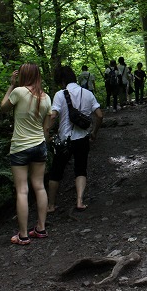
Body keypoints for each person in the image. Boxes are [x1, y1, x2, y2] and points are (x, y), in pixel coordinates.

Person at [0, 63, 52, 246]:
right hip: (39, 146)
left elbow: (3, 107)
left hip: (20, 147)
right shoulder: (46, 97)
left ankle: (23, 235)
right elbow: (46, 127)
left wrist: (11, 85)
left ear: (23, 75)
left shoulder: (19, 92)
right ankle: (41, 228)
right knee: (39, 187)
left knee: (22, 190)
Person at [48, 65, 103, 212]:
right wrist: (94, 132)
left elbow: (53, 116)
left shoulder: (60, 94)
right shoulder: (87, 93)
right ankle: (79, 201)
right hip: (83, 138)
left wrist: (45, 132)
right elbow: (99, 115)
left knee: (56, 172)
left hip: (64, 139)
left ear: (62, 80)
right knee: (80, 169)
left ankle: (51, 205)